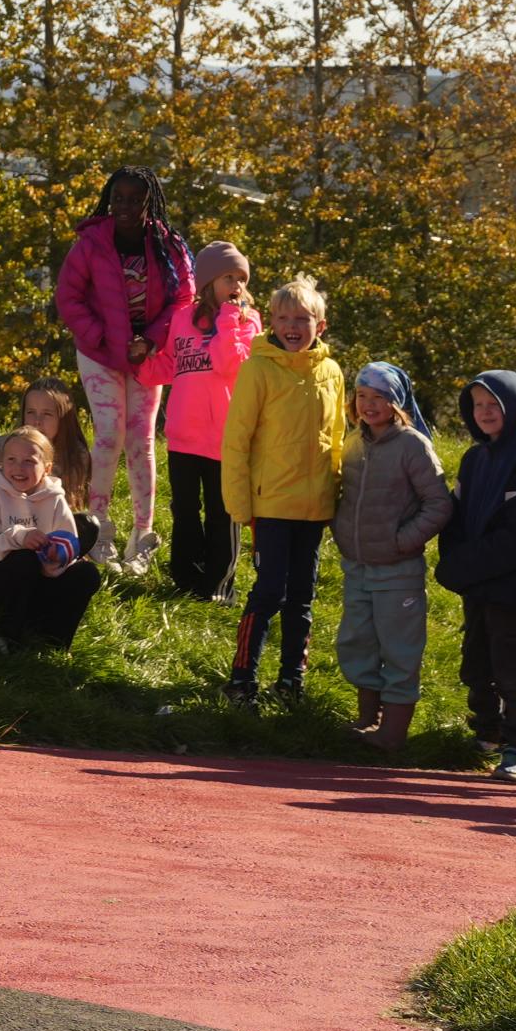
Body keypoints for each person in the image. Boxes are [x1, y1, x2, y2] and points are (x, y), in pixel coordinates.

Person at [220, 276, 347, 708]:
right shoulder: (257, 368)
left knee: (303, 596)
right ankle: (242, 678)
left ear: (321, 325)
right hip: (270, 503)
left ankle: (292, 680)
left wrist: (337, 494)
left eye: (302, 319)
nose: (292, 326)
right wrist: (240, 504)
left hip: (314, 508)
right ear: (271, 321)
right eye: (283, 317)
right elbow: (237, 439)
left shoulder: (331, 371)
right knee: (269, 591)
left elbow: (337, 436)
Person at [55, 168, 191, 564]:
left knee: (141, 441)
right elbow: (69, 297)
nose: (125, 207)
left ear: (150, 203)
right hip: (100, 353)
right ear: (109, 200)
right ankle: (97, 531)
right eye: (118, 199)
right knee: (109, 434)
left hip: (146, 356)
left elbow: (184, 297)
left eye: (135, 200)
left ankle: (142, 536)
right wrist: (104, 338)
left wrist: (149, 340)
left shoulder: (170, 246)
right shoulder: (90, 244)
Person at [436, 372, 516, 782]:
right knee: (475, 664)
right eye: (478, 406)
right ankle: (486, 733)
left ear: (514, 408)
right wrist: (455, 563)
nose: (486, 413)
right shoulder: (475, 458)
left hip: (513, 587)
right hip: (477, 584)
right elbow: (455, 519)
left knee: (512, 669)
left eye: (494, 405)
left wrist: (463, 565)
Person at [334, 364, 452, 750]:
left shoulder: (413, 445)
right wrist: (341, 530)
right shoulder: (352, 442)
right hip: (357, 566)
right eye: (363, 396)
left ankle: (393, 735)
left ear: (396, 401)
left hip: (398, 570)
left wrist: (403, 541)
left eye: (380, 396)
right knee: (358, 642)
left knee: (399, 647)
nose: (369, 404)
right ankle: (367, 721)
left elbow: (438, 504)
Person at [154, 242, 260, 603]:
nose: (236, 284)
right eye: (228, 277)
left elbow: (232, 365)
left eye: (241, 278)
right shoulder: (183, 317)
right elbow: (170, 363)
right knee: (184, 510)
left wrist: (230, 318)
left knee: (222, 513)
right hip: (183, 435)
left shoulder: (249, 320)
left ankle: (217, 587)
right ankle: (185, 578)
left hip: (224, 438)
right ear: (207, 281)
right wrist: (137, 362)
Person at [0, 427, 104, 650]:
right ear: (2, 463)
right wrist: (17, 538)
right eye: (11, 459)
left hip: (39, 582)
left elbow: (68, 546)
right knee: (25, 558)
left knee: (87, 573)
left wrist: (57, 557)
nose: (18, 468)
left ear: (46, 469)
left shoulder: (55, 498)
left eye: (29, 461)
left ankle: (54, 642)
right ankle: (6, 635)